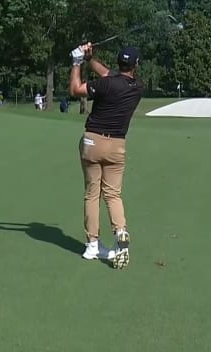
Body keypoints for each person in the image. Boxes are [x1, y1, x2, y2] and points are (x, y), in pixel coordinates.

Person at [68, 42, 144, 269]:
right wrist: (91, 58)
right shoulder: (137, 87)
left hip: (92, 141)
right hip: (117, 146)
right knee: (113, 194)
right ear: (135, 65)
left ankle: (92, 245)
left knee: (92, 193)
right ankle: (120, 231)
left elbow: (75, 89)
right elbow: (108, 74)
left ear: (119, 62)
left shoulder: (104, 84)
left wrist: (76, 62)